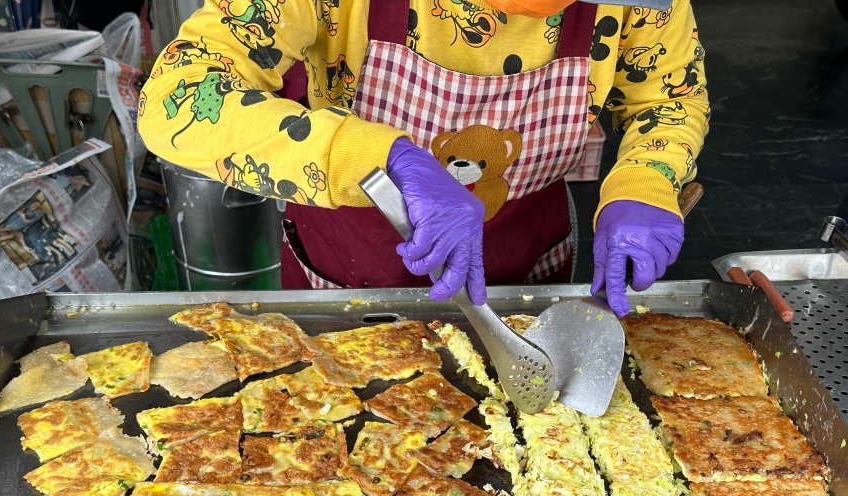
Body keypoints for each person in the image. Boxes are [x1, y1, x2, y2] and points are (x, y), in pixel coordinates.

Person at [139, 0, 709, 316]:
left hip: (525, 272)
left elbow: (666, 98)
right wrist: (368, 156)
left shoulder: (639, 4)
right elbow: (177, 96)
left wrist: (646, 178)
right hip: (347, 275)